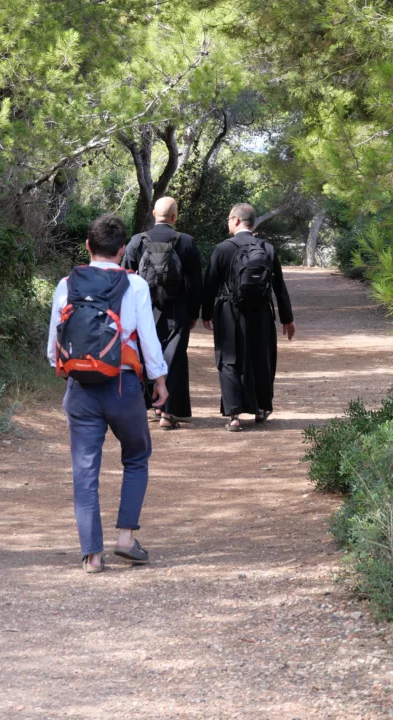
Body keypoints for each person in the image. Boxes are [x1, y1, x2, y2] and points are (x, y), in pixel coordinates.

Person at [48, 214, 168, 573]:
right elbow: (147, 337)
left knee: (84, 469)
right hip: (123, 385)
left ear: (87, 247)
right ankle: (126, 538)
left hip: (80, 388)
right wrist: (159, 379)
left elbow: (53, 346)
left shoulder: (66, 284)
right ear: (121, 251)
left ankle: (92, 555)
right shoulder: (135, 286)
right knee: (136, 456)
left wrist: (69, 371)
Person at [201, 202, 295, 431]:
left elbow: (210, 284)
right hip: (262, 312)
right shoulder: (267, 248)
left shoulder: (223, 249)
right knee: (261, 357)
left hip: (229, 312)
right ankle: (262, 409)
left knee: (229, 360)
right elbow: (279, 287)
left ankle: (233, 414)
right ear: (252, 223)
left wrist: (206, 313)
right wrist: (287, 319)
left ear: (235, 220)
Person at [122, 196, 202, 429]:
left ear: (153, 214)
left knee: (145, 356)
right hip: (178, 309)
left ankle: (150, 405)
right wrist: (194, 313)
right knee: (174, 358)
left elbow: (124, 277)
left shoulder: (137, 241)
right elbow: (196, 282)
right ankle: (168, 414)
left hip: (144, 309)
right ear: (175, 217)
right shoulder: (186, 242)